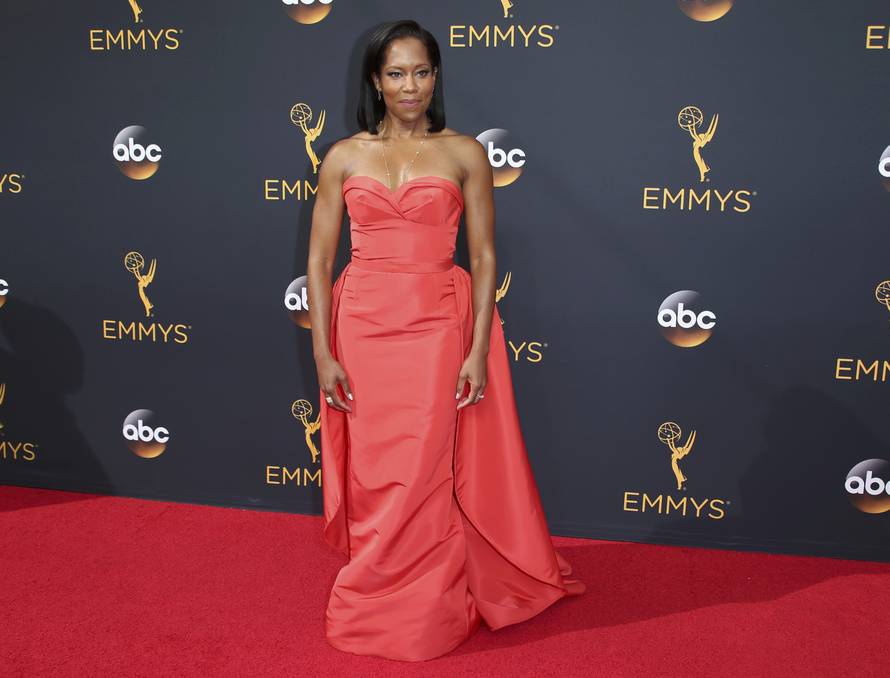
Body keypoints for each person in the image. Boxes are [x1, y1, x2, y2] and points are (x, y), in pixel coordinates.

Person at [307, 19, 585, 662]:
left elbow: (484, 258)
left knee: (425, 469)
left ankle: (425, 607)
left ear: (437, 76)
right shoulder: (343, 156)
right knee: (377, 470)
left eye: (422, 71)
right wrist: (323, 351)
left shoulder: (463, 153)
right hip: (363, 326)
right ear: (375, 81)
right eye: (397, 73)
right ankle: (377, 589)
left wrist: (478, 347)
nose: (411, 86)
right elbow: (319, 262)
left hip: (436, 323)